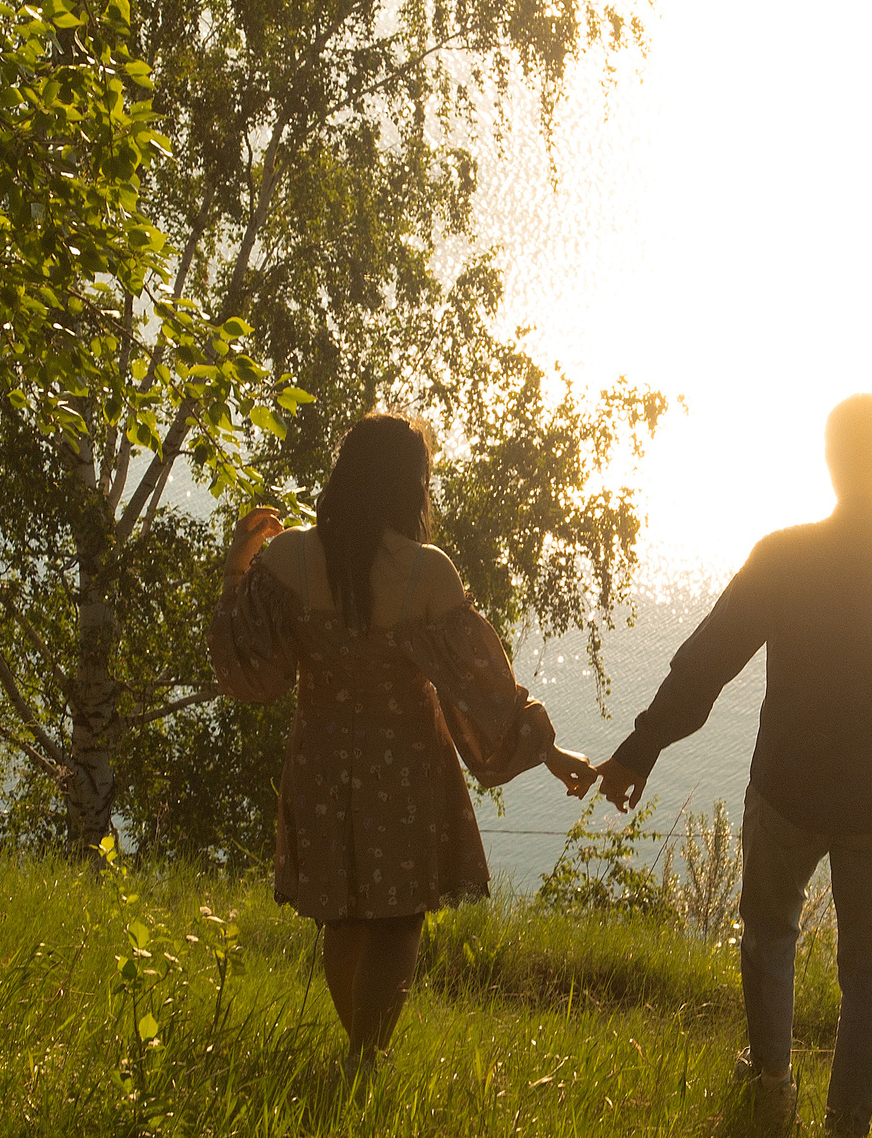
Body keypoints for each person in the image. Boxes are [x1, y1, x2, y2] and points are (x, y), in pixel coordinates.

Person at [594, 394, 872, 1138]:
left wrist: (641, 747)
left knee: (768, 936)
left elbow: (708, 661)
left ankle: (769, 1089)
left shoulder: (783, 557)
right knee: (871, 971)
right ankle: (845, 1137)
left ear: (827, 462)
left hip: (789, 782)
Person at [209, 412, 596, 1069]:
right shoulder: (426, 571)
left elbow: (250, 668)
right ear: (409, 486)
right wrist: (550, 749)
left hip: (323, 761)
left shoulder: (289, 557)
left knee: (345, 917)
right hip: (406, 768)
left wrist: (237, 567)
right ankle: (367, 1051)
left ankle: (359, 1050)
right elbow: (484, 690)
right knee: (399, 917)